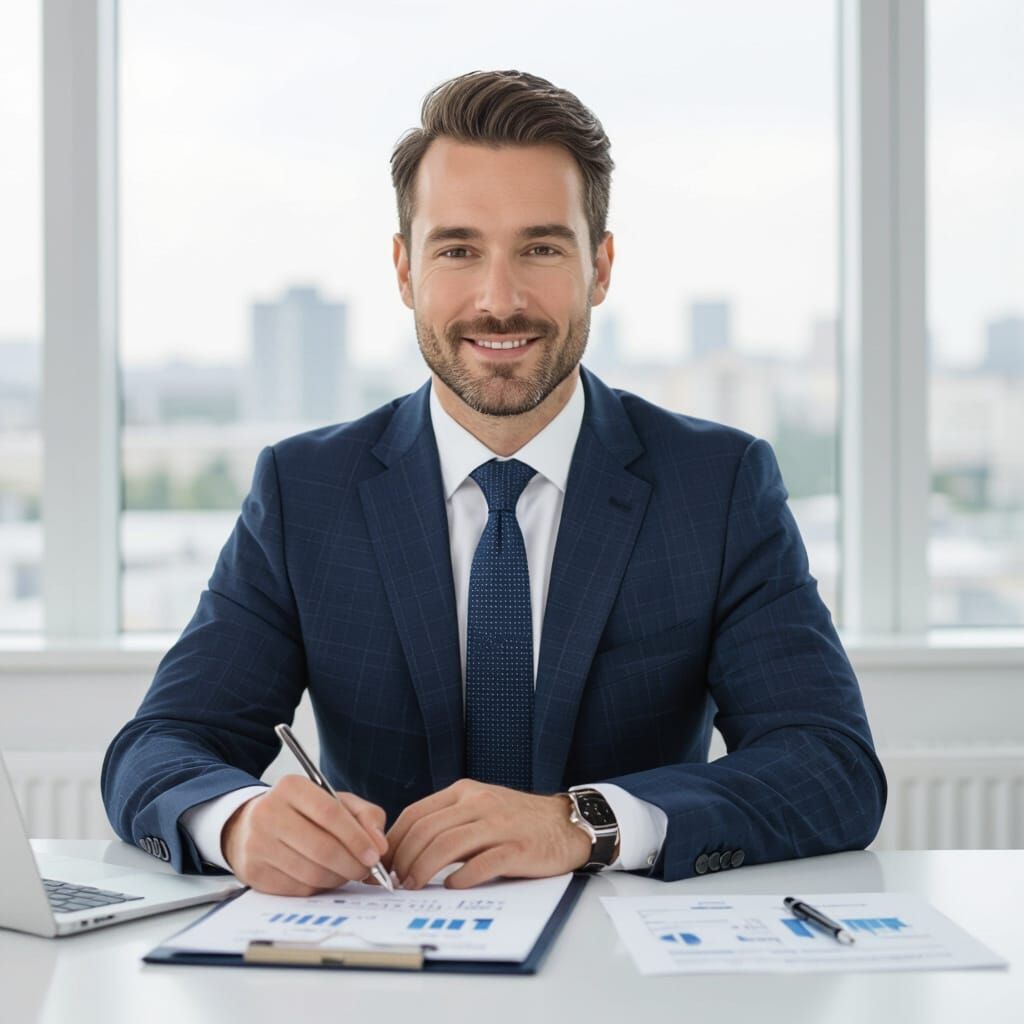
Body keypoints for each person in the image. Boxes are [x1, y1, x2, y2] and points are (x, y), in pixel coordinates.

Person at [102, 69, 886, 896]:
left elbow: (830, 766)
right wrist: (238, 821)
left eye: (541, 248)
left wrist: (585, 822)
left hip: (625, 953)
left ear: (601, 267)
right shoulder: (306, 492)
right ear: (404, 270)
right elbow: (158, 747)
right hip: (380, 949)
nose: (498, 299)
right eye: (457, 250)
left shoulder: (716, 486)